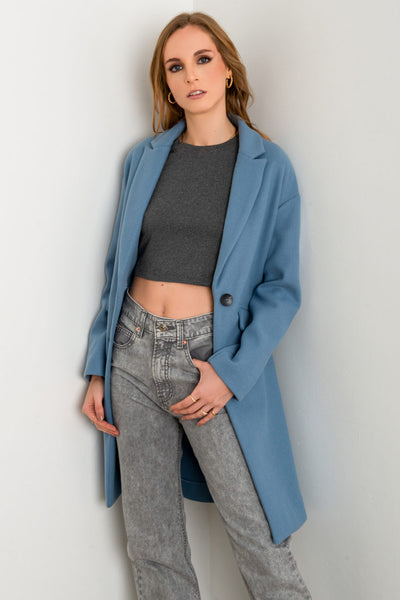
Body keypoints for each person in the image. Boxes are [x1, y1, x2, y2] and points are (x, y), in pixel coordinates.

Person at [81, 11, 312, 600]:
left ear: (228, 69)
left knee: (258, 537)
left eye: (203, 60)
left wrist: (231, 374)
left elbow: (281, 288)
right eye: (175, 67)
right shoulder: (145, 159)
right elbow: (116, 268)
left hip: (209, 357)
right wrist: (98, 366)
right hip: (131, 352)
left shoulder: (269, 167)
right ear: (166, 82)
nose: (191, 76)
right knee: (151, 544)